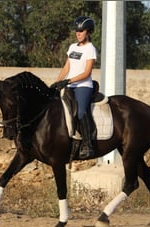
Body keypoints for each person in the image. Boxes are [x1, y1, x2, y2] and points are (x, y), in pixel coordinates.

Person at [55, 16, 97, 159]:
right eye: (76, 31)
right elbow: (67, 67)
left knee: (79, 112)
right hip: (69, 84)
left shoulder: (90, 49)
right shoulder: (72, 47)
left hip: (83, 86)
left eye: (81, 31)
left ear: (88, 32)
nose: (78, 33)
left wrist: (68, 81)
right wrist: (57, 82)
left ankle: (87, 144)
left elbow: (87, 73)